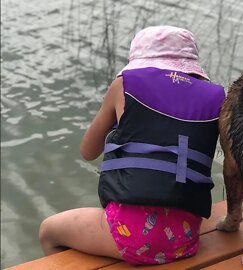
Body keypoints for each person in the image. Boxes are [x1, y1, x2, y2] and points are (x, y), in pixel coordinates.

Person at [38, 25, 225, 265]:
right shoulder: (217, 98)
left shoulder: (124, 85)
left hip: (131, 236)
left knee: (48, 231)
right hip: (186, 238)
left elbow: (88, 151)